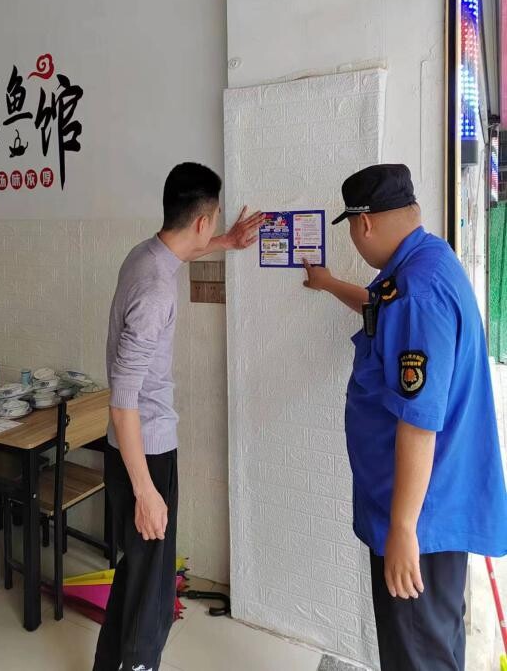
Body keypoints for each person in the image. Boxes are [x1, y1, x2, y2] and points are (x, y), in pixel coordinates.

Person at [303, 163, 507, 671]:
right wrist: (329, 284)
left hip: (420, 519)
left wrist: (401, 529)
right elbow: (380, 308)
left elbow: (419, 422)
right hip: (427, 508)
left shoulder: (417, 292)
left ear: (364, 223)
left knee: (417, 654)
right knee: (433, 644)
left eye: (351, 229)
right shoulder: (425, 262)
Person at [93, 162, 263, 671]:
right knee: (152, 594)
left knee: (139, 574)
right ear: (201, 220)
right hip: (143, 452)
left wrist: (228, 241)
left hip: (134, 446)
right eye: (215, 221)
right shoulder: (155, 292)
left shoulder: (145, 255)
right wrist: (146, 492)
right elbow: (122, 400)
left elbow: (181, 253)